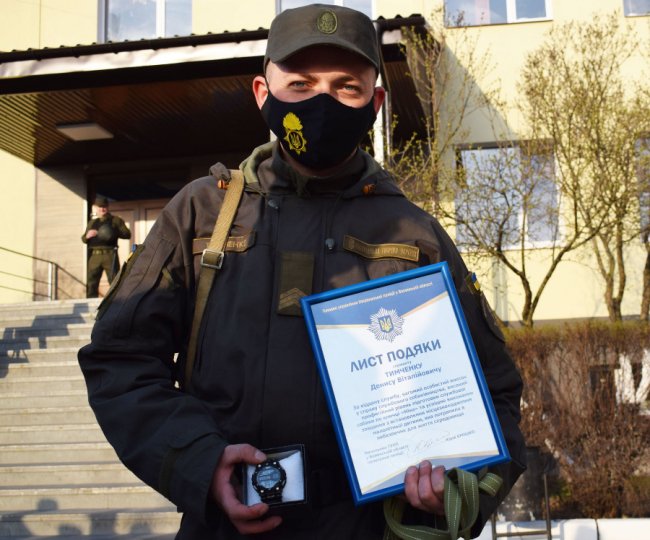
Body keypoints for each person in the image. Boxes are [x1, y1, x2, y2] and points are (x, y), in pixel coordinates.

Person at [78, 4, 525, 539]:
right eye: (300, 83)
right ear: (262, 92)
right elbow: (120, 360)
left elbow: (495, 392)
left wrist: (459, 487)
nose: (322, 100)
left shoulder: (415, 234)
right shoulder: (201, 215)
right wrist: (200, 460)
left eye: (346, 87)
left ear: (375, 103)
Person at [81, 196, 131, 298]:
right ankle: (91, 303)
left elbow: (127, 234)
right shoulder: (92, 222)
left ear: (108, 207)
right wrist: (87, 236)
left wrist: (113, 231)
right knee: (92, 282)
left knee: (114, 280)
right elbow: (84, 239)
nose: (102, 209)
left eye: (104, 207)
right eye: (100, 207)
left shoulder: (115, 220)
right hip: (95, 255)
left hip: (110, 254)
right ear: (96, 208)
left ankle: (117, 301)